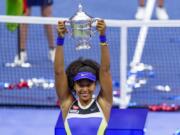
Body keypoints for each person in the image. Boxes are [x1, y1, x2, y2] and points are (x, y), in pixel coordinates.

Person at [54, 20, 113, 134]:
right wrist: (60, 40)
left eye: (88, 84)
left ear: (95, 85)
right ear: (74, 86)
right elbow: (59, 72)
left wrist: (102, 37)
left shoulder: (103, 104)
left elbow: (105, 70)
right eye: (80, 85)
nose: (85, 89)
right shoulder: (67, 104)